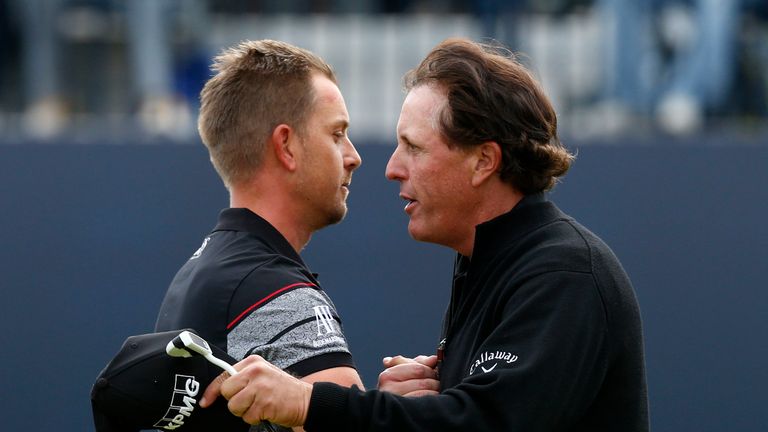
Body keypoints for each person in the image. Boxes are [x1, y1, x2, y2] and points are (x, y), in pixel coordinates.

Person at [198, 37, 649, 431]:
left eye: (414, 148)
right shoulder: (490, 262)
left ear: (483, 161)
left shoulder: (565, 274)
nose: (391, 168)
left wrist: (307, 403)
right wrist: (416, 400)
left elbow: (479, 423)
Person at [154, 39, 364, 431]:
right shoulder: (276, 291)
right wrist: (419, 410)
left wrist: (389, 406)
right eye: (336, 134)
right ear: (286, 146)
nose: (353, 155)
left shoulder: (198, 274)